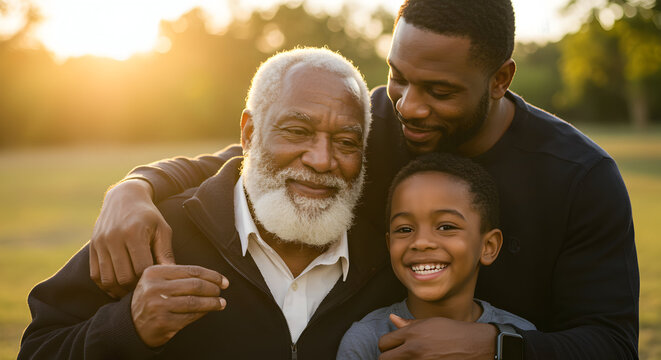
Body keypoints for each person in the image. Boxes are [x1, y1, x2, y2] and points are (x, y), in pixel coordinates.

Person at [87, 0, 640, 358]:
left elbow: (612, 342)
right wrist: (136, 187)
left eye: (439, 91)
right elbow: (270, 154)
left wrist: (493, 347)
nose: (410, 107)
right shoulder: (372, 126)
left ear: (500, 79)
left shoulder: (581, 178)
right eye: (398, 78)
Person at [19, 48, 405, 359]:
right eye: (297, 131)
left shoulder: (388, 262)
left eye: (346, 142)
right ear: (250, 133)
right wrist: (127, 327)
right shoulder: (156, 234)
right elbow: (39, 349)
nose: (322, 160)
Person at [336, 153, 537, 359]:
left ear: (488, 246)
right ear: (389, 245)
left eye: (446, 226)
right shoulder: (367, 340)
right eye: (404, 229)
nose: (421, 242)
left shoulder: (517, 337)